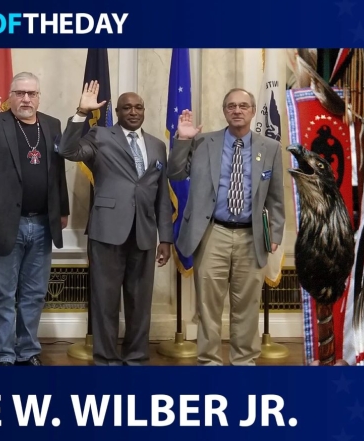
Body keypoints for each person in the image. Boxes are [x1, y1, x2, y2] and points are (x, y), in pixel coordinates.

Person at [58, 82, 173, 366]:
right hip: (108, 231)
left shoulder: (158, 145)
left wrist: (166, 238)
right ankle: (106, 359)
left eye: (138, 107)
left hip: (144, 234)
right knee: (105, 301)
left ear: (144, 111)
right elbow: (67, 150)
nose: (133, 112)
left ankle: (135, 357)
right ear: (117, 112)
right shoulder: (100, 135)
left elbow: (160, 195)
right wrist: (81, 113)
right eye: (127, 108)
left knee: (140, 302)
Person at [168, 88, 285, 366]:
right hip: (212, 233)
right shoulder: (203, 142)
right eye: (231, 105)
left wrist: (276, 233)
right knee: (208, 306)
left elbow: (277, 197)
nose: (237, 110)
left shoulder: (269, 148)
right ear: (224, 111)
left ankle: (243, 363)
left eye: (243, 105)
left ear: (253, 111)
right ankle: (209, 363)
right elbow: (174, 173)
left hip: (252, 235)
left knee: (246, 306)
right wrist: (182, 140)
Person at [0, 73, 69, 366]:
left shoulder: (51, 125)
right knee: (3, 295)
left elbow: (57, 171)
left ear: (39, 97)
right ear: (9, 96)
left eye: (31, 94)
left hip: (43, 224)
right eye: (20, 93)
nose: (26, 99)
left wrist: (63, 209)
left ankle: (28, 351)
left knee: (34, 294)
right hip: (4, 224)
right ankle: (5, 355)